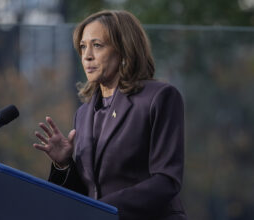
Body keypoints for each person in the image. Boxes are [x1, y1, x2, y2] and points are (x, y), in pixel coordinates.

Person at [33, 10, 187, 220]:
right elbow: (88, 192)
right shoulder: (83, 113)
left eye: (97, 45)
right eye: (83, 47)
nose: (87, 55)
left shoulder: (159, 97)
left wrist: (100, 210)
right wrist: (65, 164)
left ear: (124, 50)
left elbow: (167, 180)